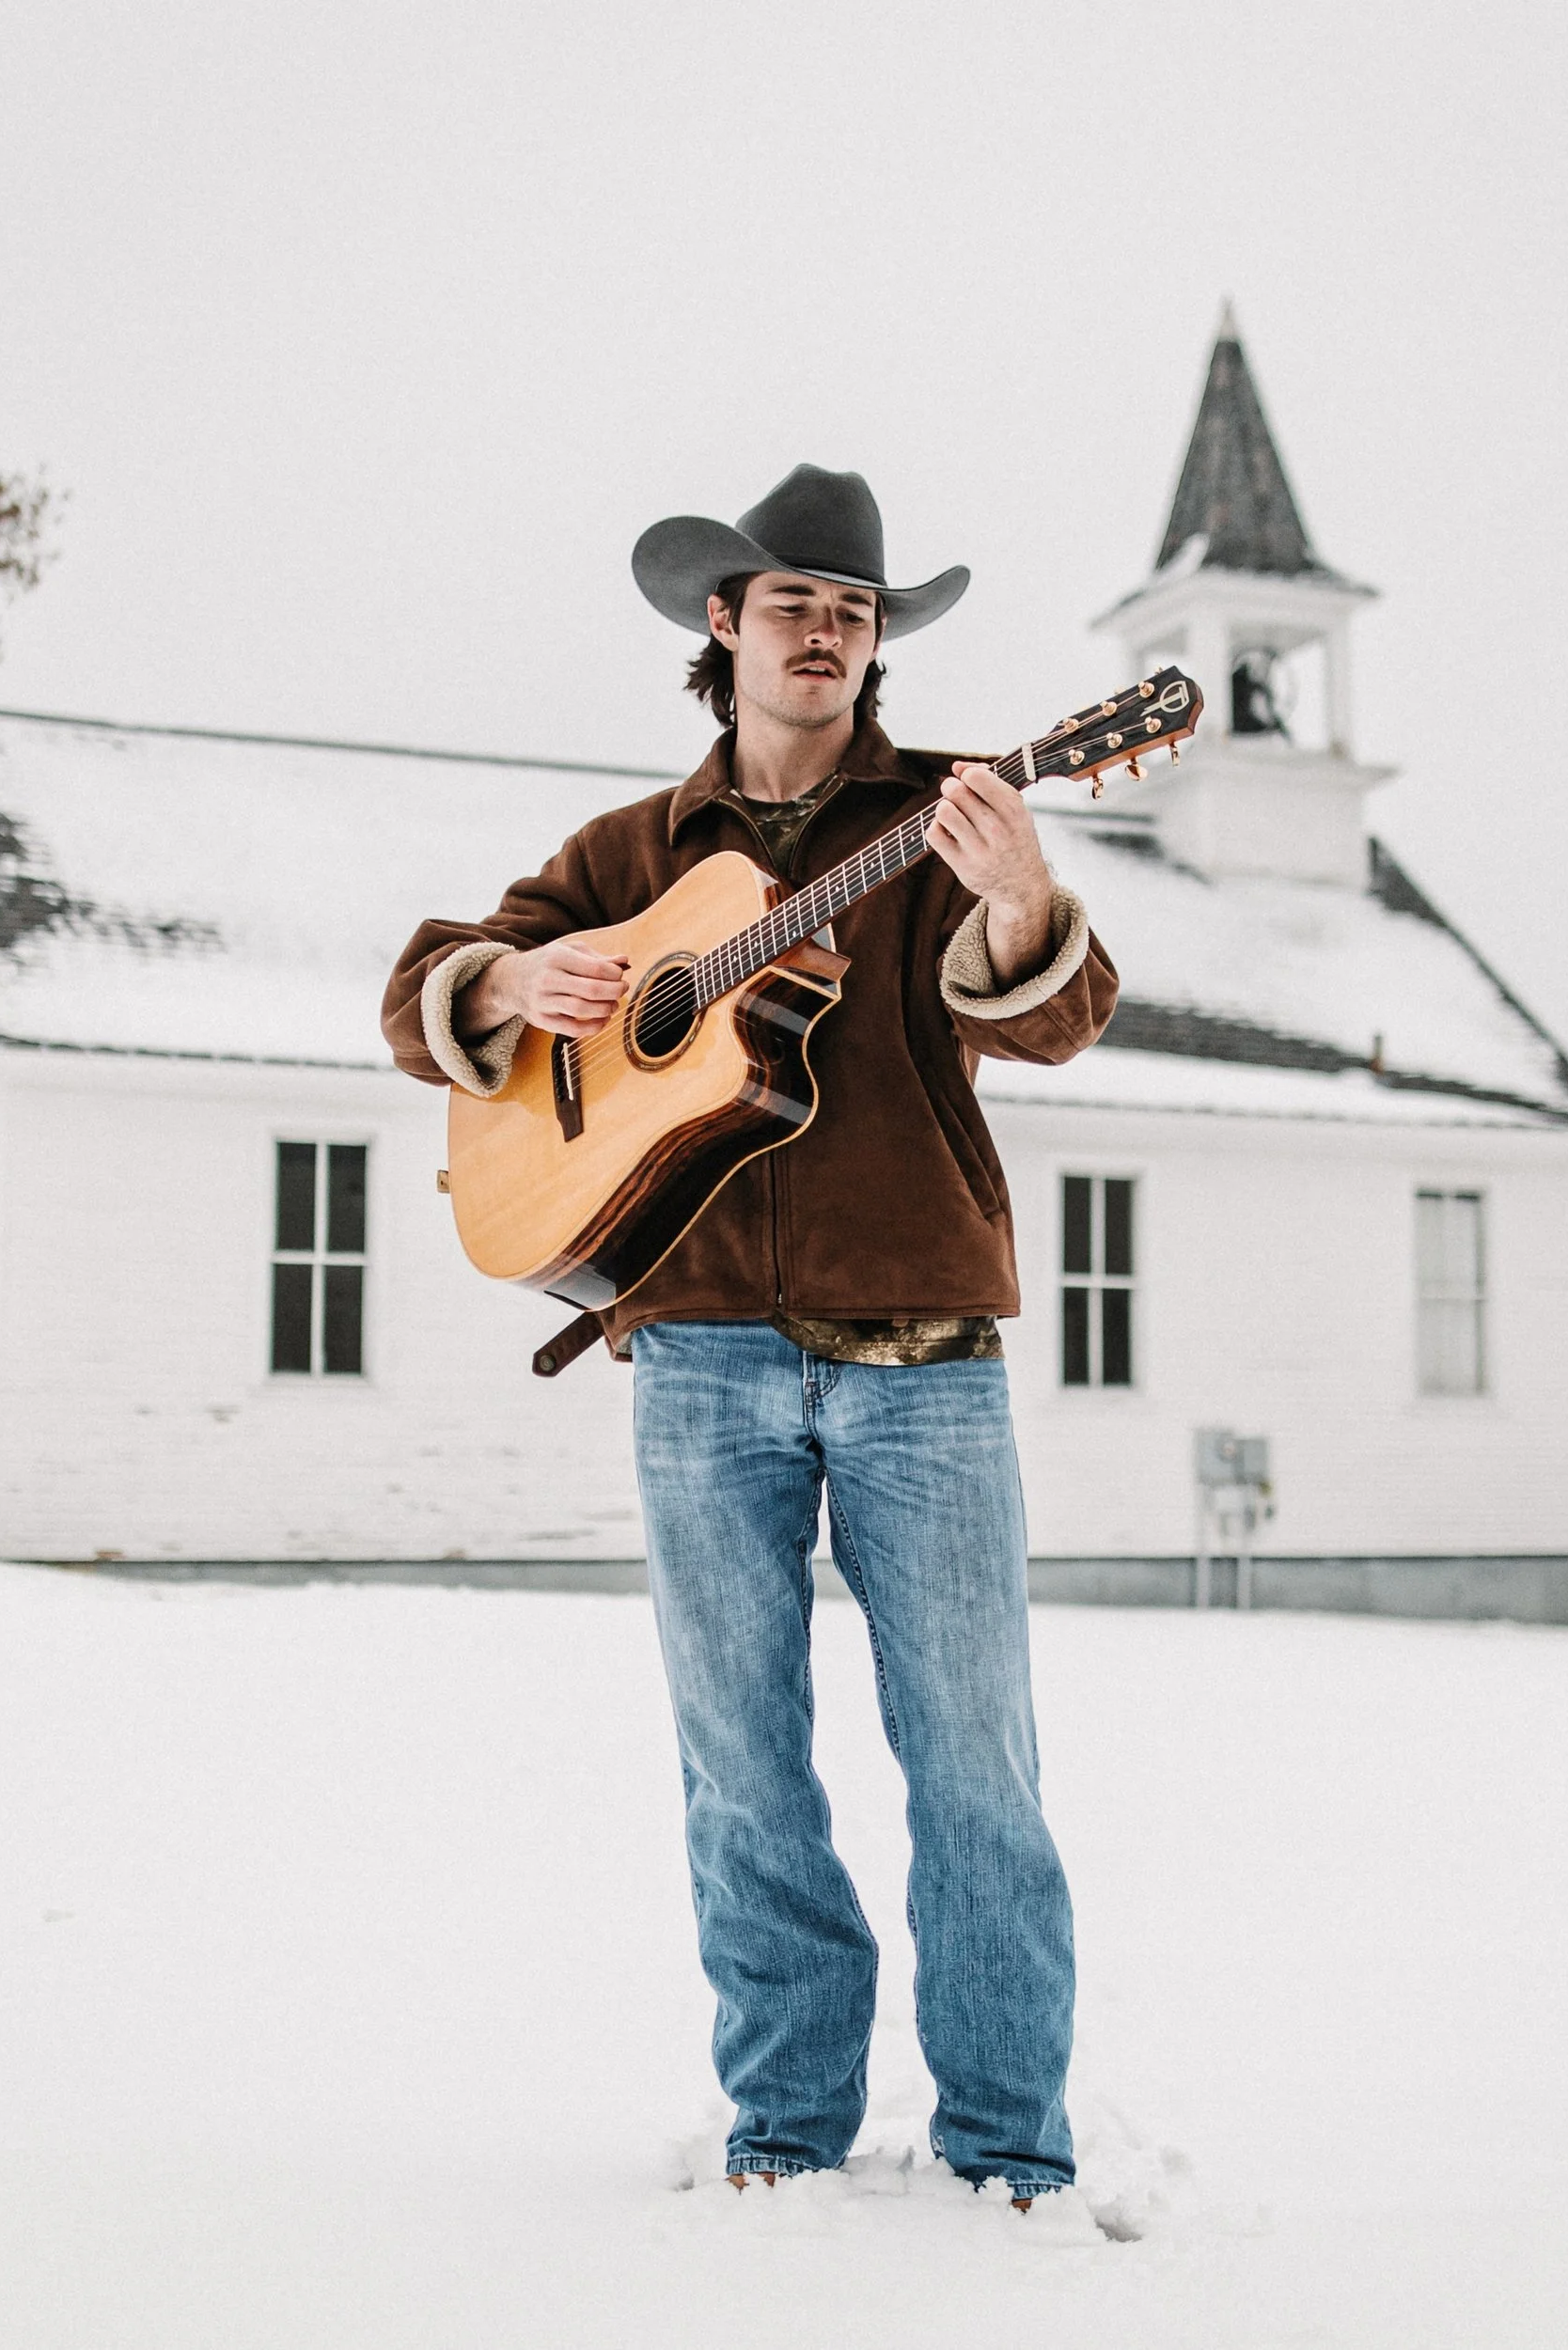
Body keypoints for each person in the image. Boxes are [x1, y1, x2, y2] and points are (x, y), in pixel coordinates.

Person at [381, 464, 1119, 2203]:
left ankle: (1008, 2142)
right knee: (741, 1773)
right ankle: (787, 2125)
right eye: (793, 603)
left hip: (923, 1351)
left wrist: (1018, 896)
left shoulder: (948, 815)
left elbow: (1060, 1015)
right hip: (700, 1353)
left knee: (977, 1771)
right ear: (725, 626)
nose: (826, 634)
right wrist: (506, 987)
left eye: (854, 614)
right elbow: (430, 984)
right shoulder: (633, 856)